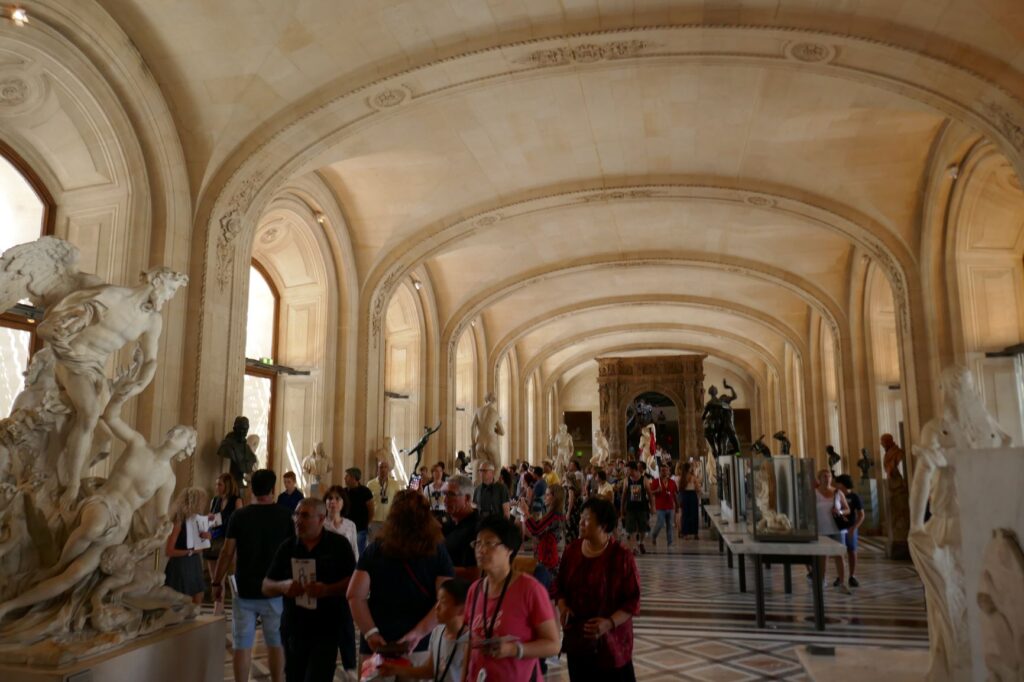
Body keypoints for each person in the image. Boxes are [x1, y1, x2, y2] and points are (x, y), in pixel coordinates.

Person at [347, 490, 455, 670]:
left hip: (378, 641)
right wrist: (418, 633)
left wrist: (371, 633)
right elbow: (446, 599)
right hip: (420, 643)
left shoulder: (376, 549)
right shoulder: (437, 551)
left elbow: (354, 595)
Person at [212, 469, 294, 682]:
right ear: (273, 489)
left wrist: (216, 581)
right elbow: (294, 552)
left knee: (242, 645)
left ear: (252, 490)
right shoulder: (285, 516)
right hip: (275, 590)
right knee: (276, 644)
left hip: (245, 590)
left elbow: (227, 552)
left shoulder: (240, 516)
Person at [264, 498, 357, 682]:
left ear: (321, 519)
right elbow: (266, 585)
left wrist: (327, 590)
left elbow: (354, 583)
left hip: (326, 629)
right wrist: (283, 586)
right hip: (293, 630)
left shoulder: (339, 546)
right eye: (296, 514)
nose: (298, 520)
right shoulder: (287, 547)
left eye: (305, 515)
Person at [464, 515, 560, 681]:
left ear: (509, 549)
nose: (481, 549)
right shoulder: (475, 590)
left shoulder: (530, 589)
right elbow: (469, 643)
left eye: (489, 543)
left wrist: (514, 650)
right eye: (478, 543)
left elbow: (553, 645)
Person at [557, 498, 641, 681]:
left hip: (612, 644)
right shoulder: (572, 551)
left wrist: (608, 623)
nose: (580, 522)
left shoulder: (621, 557)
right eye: (581, 517)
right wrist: (563, 608)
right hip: (579, 643)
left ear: (603, 524)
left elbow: (633, 600)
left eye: (586, 519)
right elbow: (560, 587)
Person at [378, 578, 471, 682]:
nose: (437, 607)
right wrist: (396, 670)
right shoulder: (437, 631)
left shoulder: (470, 641)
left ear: (462, 609)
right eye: (437, 600)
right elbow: (430, 671)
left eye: (443, 602)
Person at [322, 485, 359, 678]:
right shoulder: (321, 524)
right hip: (325, 579)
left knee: (346, 625)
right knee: (325, 625)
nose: (332, 502)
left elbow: (354, 553)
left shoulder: (349, 526)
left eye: (336, 498)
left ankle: (350, 666)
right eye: (329, 498)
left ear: (343, 503)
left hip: (345, 579)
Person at [164, 487, 210, 604]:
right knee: (180, 602)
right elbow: (169, 551)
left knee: (198, 597)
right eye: (202, 501)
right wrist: (190, 552)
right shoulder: (179, 521)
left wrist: (207, 538)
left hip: (194, 562)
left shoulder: (197, 521)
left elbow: (200, 548)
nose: (203, 505)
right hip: (181, 564)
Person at [205, 472, 243, 608]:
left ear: (227, 485)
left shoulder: (236, 501)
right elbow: (212, 522)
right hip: (214, 541)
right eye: (216, 484)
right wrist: (209, 520)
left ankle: (238, 605)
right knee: (215, 577)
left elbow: (238, 523)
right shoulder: (215, 501)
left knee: (232, 577)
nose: (217, 487)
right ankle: (218, 608)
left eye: (219, 484)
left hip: (229, 542)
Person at [814, 469, 851, 593]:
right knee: (822, 556)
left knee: (839, 555)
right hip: (821, 529)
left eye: (828, 476)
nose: (827, 478)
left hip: (837, 529)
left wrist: (840, 512)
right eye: (824, 476)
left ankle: (842, 582)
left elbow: (847, 509)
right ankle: (822, 580)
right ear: (819, 478)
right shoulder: (814, 493)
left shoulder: (838, 492)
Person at [518, 484, 564, 581]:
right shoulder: (554, 514)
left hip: (547, 558)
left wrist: (526, 512)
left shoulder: (554, 516)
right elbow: (534, 528)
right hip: (546, 555)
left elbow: (535, 529)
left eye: (547, 495)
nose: (544, 497)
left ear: (555, 498)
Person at [442, 474, 480, 578]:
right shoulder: (446, 521)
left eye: (451, 495)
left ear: (467, 498)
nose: (445, 500)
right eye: (444, 494)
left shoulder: (477, 528)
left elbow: (475, 573)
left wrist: (438, 569)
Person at [834, 474, 865, 587]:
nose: (835, 485)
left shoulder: (854, 497)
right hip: (838, 528)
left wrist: (854, 528)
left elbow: (861, 515)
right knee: (839, 553)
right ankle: (840, 576)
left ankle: (852, 576)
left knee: (851, 551)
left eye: (837, 483)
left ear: (842, 484)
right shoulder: (835, 495)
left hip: (850, 527)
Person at [621, 462, 653, 555]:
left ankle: (641, 543)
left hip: (642, 508)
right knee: (631, 529)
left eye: (627, 469)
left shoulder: (644, 479)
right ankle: (634, 547)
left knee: (643, 528)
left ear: (632, 469)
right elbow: (623, 496)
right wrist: (622, 510)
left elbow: (650, 494)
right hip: (630, 508)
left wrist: (652, 507)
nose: (625, 471)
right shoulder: (626, 480)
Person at [344, 467, 373, 554]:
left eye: (347, 476)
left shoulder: (365, 491)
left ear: (353, 478)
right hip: (346, 528)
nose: (345, 478)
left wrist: (367, 523)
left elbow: (371, 509)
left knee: (359, 552)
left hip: (360, 528)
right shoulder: (344, 491)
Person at [649, 464, 678, 549]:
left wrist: (677, 505)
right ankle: (654, 535)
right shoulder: (656, 481)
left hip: (670, 506)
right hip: (660, 507)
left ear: (668, 471)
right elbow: (650, 493)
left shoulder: (672, 482)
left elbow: (675, 494)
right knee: (660, 523)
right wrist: (656, 490)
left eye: (666, 470)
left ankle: (670, 543)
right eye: (662, 470)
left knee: (669, 525)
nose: (664, 472)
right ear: (660, 471)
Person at [366, 459, 394, 542]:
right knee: (373, 544)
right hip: (374, 520)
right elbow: (368, 503)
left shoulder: (395, 484)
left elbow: (397, 502)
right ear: (378, 469)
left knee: (387, 544)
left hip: (388, 520)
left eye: (385, 467)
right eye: (381, 467)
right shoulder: (370, 484)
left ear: (388, 469)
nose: (383, 469)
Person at [562, 459, 585, 543]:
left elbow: (571, 499)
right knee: (575, 528)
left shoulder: (571, 488)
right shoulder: (575, 487)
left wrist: (568, 512)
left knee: (570, 529)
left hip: (571, 510)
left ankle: (571, 546)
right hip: (575, 510)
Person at [678, 461, 701, 540]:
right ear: (689, 468)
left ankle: (685, 534)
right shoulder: (693, 476)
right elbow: (697, 488)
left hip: (684, 496)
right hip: (692, 495)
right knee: (694, 514)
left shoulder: (682, 478)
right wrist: (698, 491)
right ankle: (695, 534)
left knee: (685, 515)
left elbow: (680, 489)